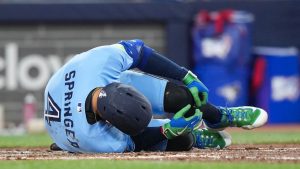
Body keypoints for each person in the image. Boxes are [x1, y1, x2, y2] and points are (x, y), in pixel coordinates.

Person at [44, 39, 268, 153]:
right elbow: (135, 140)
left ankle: (218, 116)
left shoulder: (101, 64)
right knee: (182, 140)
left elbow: (141, 52)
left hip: (78, 84)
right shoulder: (96, 139)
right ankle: (196, 137)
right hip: (70, 129)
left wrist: (187, 76)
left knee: (182, 96)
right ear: (109, 123)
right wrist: (168, 129)